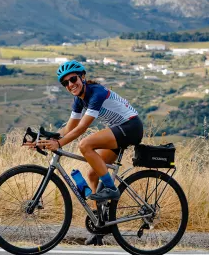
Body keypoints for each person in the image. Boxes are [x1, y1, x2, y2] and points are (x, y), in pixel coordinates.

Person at [34, 60, 144, 245]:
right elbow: (70, 127)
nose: (70, 85)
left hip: (131, 127)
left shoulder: (96, 93)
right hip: (119, 130)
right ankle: (100, 225)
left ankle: (110, 189)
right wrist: (48, 139)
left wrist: (59, 143)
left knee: (85, 145)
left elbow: (82, 128)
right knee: (93, 173)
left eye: (73, 79)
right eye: (65, 83)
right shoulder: (79, 99)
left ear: (82, 77)